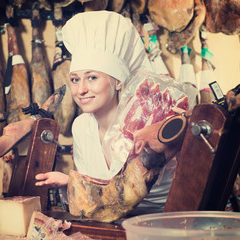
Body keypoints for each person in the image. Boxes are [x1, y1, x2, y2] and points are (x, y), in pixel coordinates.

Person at [35, 10, 187, 215]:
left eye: (92, 78)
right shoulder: (81, 127)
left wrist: (71, 181)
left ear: (117, 82)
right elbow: (90, 202)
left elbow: (128, 194)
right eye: (75, 79)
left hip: (161, 226)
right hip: (108, 227)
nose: (81, 90)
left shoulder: (147, 119)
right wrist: (67, 185)